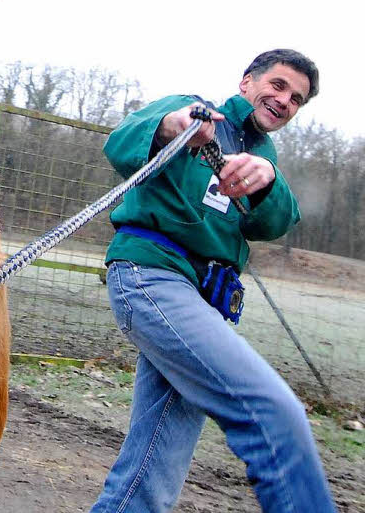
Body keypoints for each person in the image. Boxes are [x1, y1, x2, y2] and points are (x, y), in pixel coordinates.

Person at [90, 49, 335, 513]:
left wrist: (268, 181)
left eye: (297, 99)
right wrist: (171, 126)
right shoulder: (197, 110)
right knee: (273, 412)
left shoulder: (264, 155)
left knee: (158, 462)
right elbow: (120, 142)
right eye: (278, 85)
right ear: (247, 82)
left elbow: (276, 222)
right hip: (152, 277)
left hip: (204, 303)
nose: (285, 101)